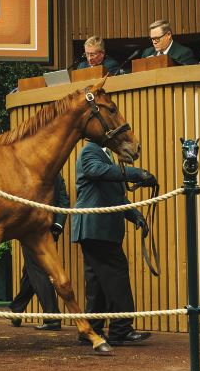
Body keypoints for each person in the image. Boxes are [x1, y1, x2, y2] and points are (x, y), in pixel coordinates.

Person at [70, 141, 156, 345]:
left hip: (93, 227)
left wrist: (135, 215)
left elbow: (115, 196)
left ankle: (91, 330)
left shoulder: (105, 154)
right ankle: (120, 329)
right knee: (117, 273)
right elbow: (97, 170)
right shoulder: (90, 151)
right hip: (96, 226)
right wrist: (137, 173)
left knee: (97, 282)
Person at [9, 174, 68, 331]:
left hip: (31, 231)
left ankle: (51, 317)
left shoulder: (27, 171)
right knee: (30, 271)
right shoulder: (56, 175)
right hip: (48, 230)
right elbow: (63, 201)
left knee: (37, 271)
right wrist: (58, 225)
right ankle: (17, 309)